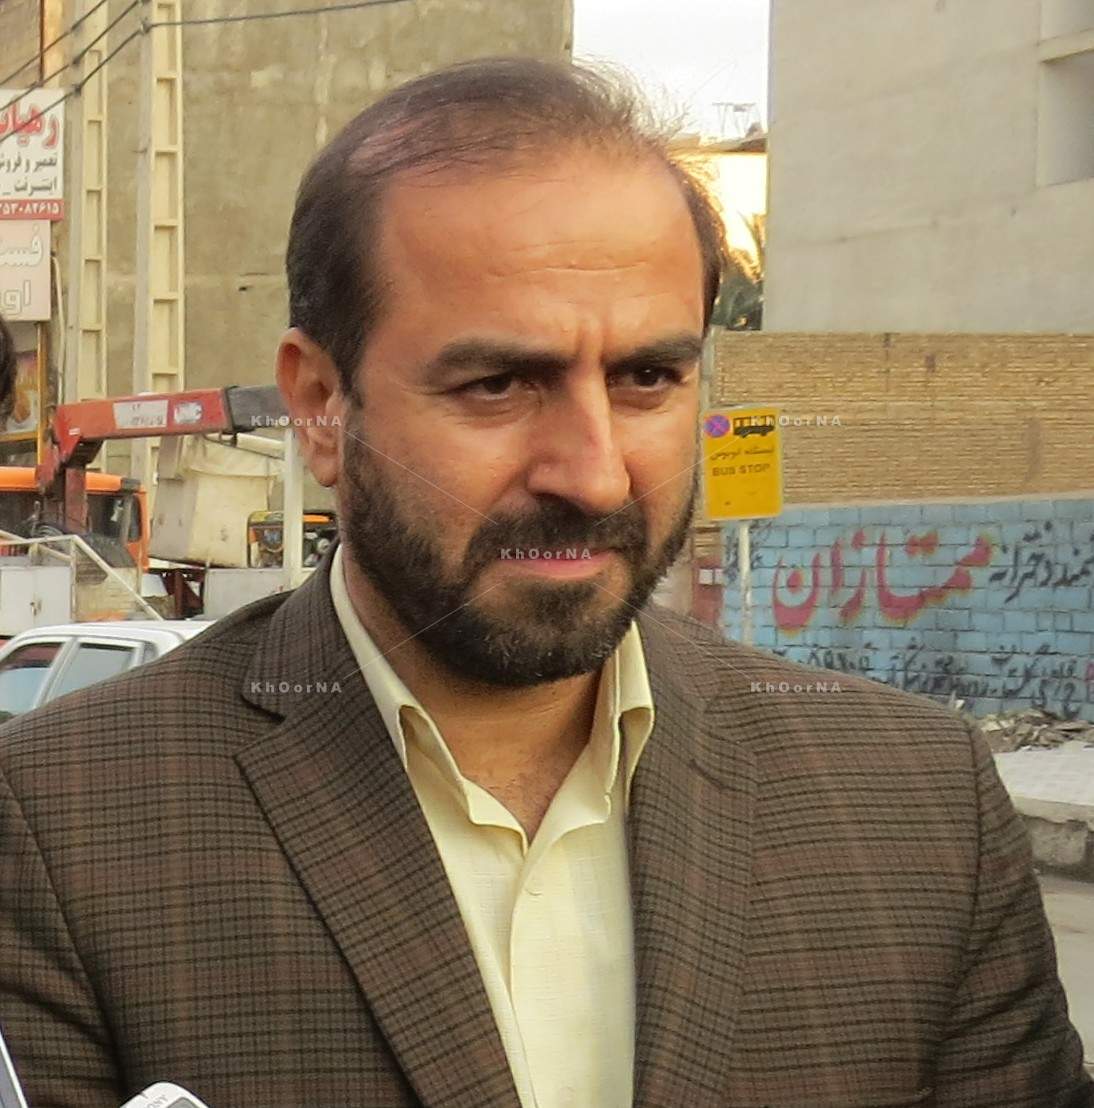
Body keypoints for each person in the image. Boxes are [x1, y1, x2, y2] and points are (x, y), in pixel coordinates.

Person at [0, 58, 1090, 1108]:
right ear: (321, 404)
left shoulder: (918, 803)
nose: (594, 473)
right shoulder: (59, 827)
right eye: (497, 383)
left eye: (647, 377)